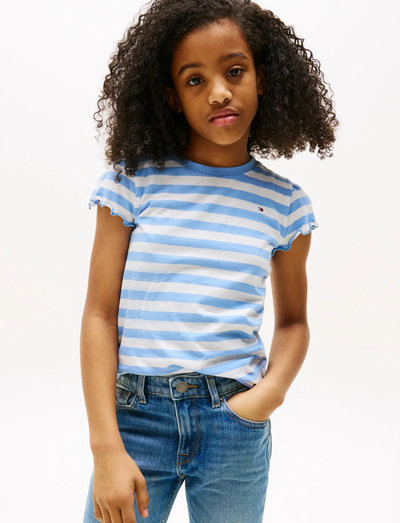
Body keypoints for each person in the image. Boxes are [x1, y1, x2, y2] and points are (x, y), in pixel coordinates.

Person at [81, 0, 338, 521]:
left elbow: (294, 323)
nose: (219, 91)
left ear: (262, 79)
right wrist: (106, 447)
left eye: (234, 71)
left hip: (234, 423)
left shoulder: (286, 204)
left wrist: (266, 398)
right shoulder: (132, 182)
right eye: (194, 80)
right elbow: (99, 315)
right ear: (172, 98)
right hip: (136, 419)